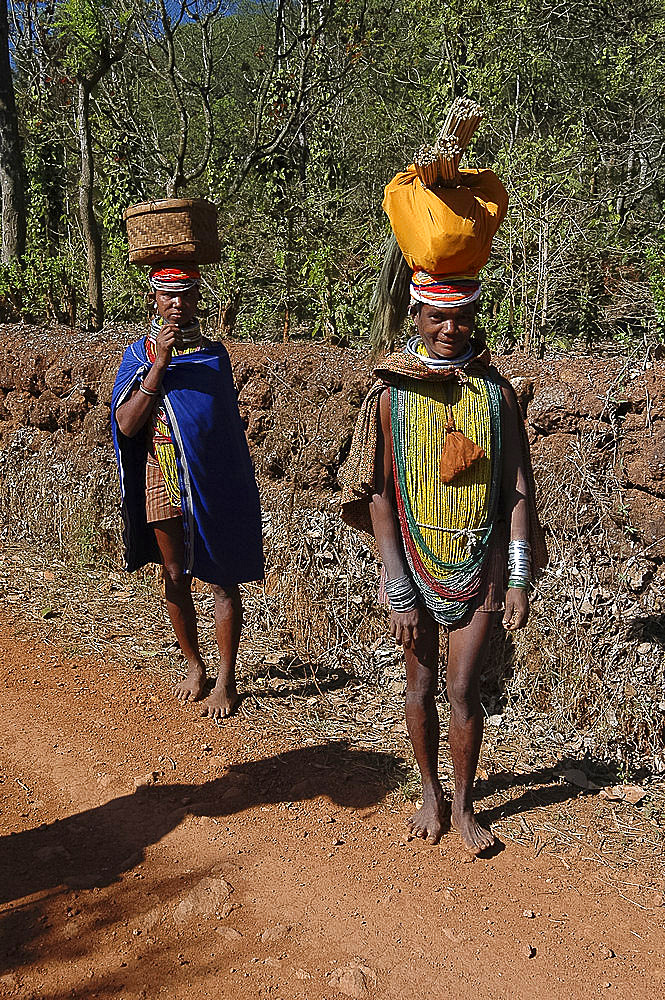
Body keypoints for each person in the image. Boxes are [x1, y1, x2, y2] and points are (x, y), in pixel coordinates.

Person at [340, 272, 546, 853]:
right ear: (417, 319)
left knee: (463, 689)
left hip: (480, 564)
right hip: (415, 560)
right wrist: (397, 580)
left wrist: (519, 576)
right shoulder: (392, 393)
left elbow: (515, 488)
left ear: (476, 316)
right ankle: (428, 790)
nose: (449, 329)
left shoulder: (499, 395)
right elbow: (378, 492)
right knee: (420, 684)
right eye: (437, 318)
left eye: (460, 317)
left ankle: (462, 802)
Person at [111, 264, 264, 718]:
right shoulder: (138, 356)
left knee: (221, 578)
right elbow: (125, 423)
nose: (178, 304)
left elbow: (222, 431)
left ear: (198, 298)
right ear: (153, 298)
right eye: (168, 295)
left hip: (210, 480)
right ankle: (194, 663)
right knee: (175, 574)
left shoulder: (214, 358)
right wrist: (159, 365)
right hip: (161, 475)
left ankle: (227, 680)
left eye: (186, 294)